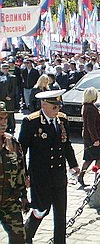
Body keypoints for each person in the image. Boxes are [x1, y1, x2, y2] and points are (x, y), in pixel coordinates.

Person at [19, 89, 80, 244]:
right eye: (54, 107)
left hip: (59, 175)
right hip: (41, 176)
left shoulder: (62, 119)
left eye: (59, 106)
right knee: (41, 210)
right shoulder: (31, 122)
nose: (57, 110)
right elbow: (21, 152)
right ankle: (26, 235)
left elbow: (66, 145)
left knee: (60, 214)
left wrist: (73, 164)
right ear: (44, 105)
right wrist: (24, 174)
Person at [0, 101, 28, 244]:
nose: (3, 122)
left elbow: (21, 172)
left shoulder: (13, 143)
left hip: (9, 201)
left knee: (19, 237)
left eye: (5, 118)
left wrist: (23, 196)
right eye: (0, 118)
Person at [78, 87, 100, 187]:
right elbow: (91, 126)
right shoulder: (90, 108)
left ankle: (84, 176)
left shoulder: (87, 106)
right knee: (96, 158)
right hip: (92, 138)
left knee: (92, 158)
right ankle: (94, 177)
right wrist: (95, 139)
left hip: (89, 137)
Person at [0, 62, 17, 133]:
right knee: (3, 113)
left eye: (6, 68)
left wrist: (10, 96)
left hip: (9, 98)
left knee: (10, 113)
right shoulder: (0, 77)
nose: (5, 70)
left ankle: (12, 127)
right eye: (3, 68)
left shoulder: (12, 77)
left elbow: (14, 88)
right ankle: (6, 127)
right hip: (1, 98)